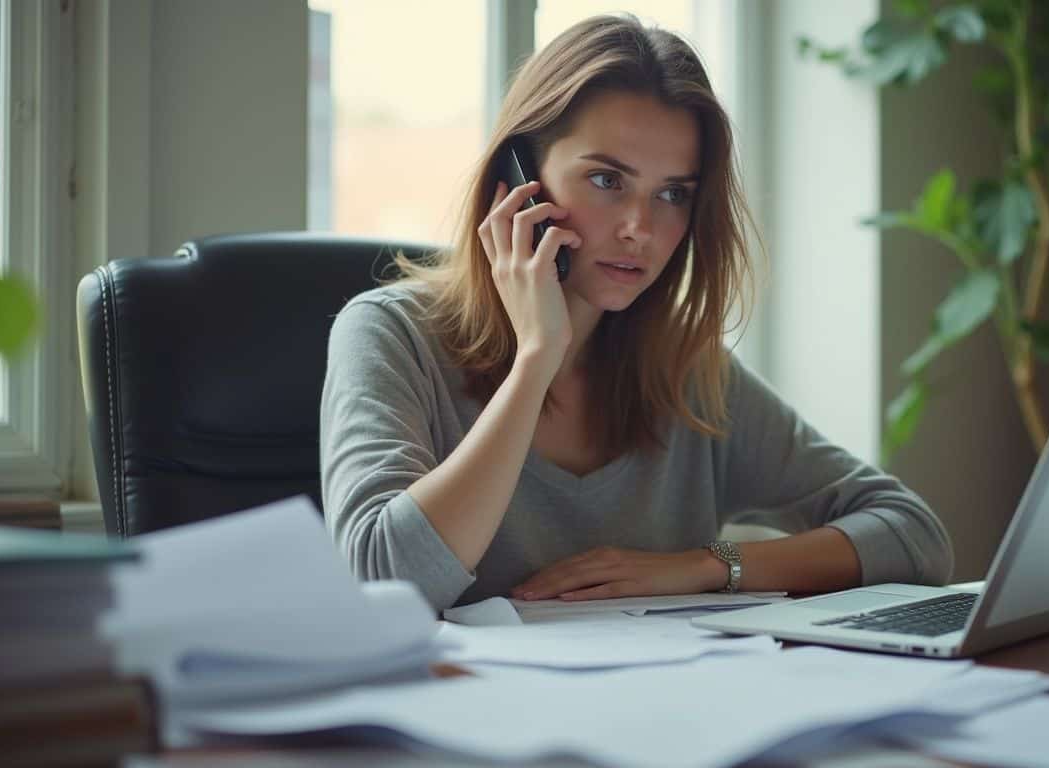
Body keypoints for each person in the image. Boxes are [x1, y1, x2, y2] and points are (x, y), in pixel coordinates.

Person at [320, 14, 953, 612]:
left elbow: (914, 535)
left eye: (672, 194)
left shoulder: (687, 373)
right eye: (607, 180)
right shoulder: (390, 335)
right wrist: (537, 358)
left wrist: (707, 565)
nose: (640, 229)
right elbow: (386, 582)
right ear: (516, 184)